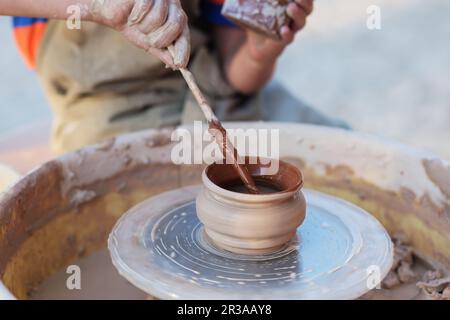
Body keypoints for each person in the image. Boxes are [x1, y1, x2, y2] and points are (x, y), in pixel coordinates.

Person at [3, 0, 348, 153]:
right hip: (105, 103)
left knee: (347, 160)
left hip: (213, 90)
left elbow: (234, 75)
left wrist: (259, 51)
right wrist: (98, 5)